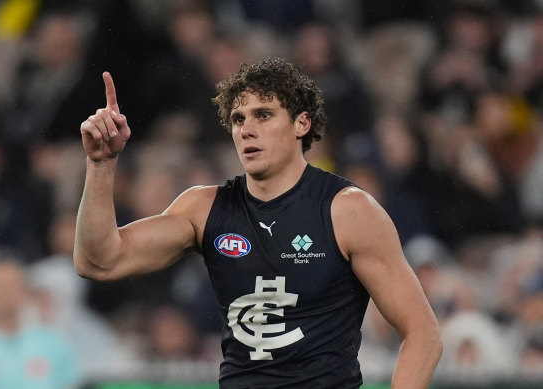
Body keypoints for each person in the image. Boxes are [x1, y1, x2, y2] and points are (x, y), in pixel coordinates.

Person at [74, 58, 442, 388]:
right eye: (238, 119)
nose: (246, 129)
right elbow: (99, 261)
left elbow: (422, 333)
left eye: (263, 115)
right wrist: (101, 165)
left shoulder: (347, 211)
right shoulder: (203, 208)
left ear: (302, 123)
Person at [0, 259, 80, 389]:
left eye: (12, 286)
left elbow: (69, 384)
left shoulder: (53, 341)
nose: (5, 294)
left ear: (25, 291)